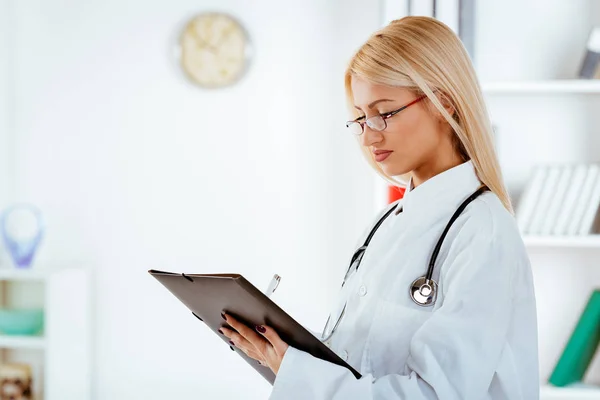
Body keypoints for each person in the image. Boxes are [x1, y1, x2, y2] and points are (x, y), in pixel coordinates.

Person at [219, 15, 539, 399]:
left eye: (384, 113)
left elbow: (440, 394)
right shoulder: (384, 226)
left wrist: (300, 371)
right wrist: (285, 355)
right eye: (360, 117)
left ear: (445, 104)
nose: (369, 134)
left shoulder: (483, 231)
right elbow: (361, 362)